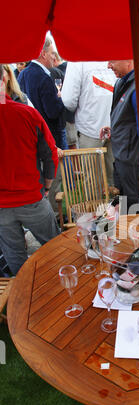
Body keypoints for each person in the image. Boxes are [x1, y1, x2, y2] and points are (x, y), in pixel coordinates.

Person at [0, 64, 60, 276]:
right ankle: (61, 288)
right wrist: (47, 185)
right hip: (31, 198)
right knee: (56, 249)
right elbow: (51, 154)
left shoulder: (26, 112)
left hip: (4, 207)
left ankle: (27, 301)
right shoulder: (26, 113)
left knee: (16, 260)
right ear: (6, 77)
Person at [18, 37, 66, 214]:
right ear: (43, 53)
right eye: (52, 53)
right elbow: (52, 111)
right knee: (53, 178)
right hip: (49, 135)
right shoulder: (44, 77)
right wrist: (61, 98)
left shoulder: (23, 74)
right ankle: (54, 213)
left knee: (39, 175)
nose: (54, 57)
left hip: (30, 136)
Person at [100, 60, 139, 211]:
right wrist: (116, 129)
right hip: (122, 159)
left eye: (112, 60)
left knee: (134, 210)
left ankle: (135, 233)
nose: (108, 65)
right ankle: (124, 232)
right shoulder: (123, 82)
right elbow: (128, 118)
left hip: (132, 163)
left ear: (129, 60)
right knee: (123, 206)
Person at [61, 61, 117, 185]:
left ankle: (96, 204)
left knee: (92, 180)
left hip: (90, 126)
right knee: (116, 177)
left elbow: (69, 100)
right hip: (114, 125)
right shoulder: (111, 51)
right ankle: (119, 204)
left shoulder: (76, 61)